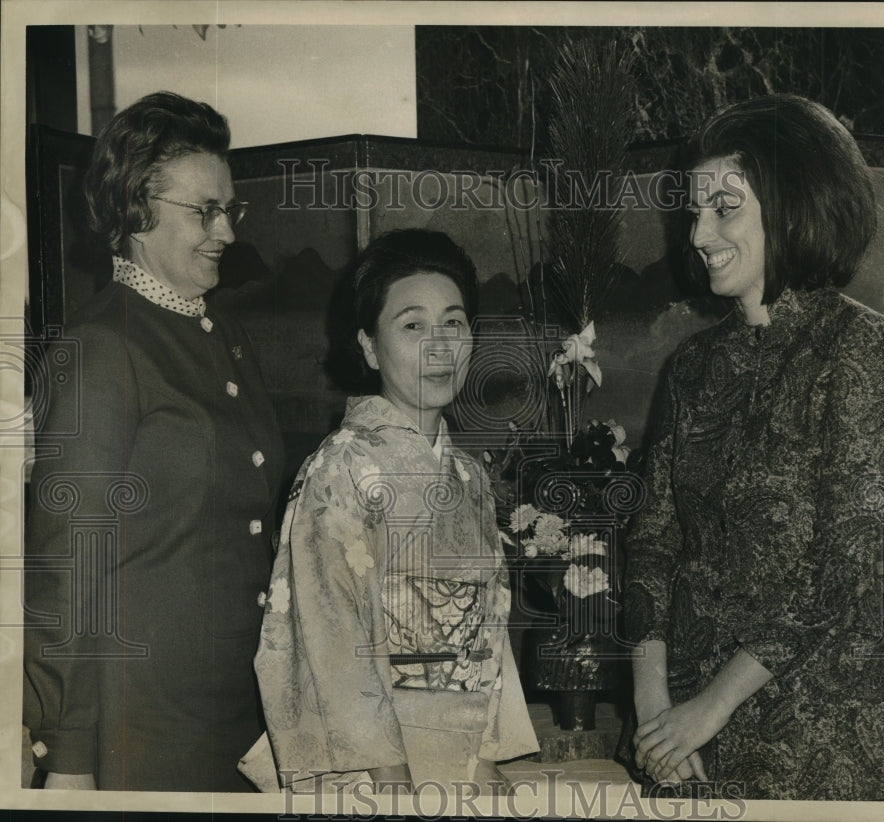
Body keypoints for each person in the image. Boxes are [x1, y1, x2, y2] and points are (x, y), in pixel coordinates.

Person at [623, 94, 884, 801]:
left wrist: (708, 710)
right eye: (694, 210)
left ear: (793, 206)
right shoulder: (691, 366)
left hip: (814, 747)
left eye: (725, 207)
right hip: (684, 749)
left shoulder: (855, 345)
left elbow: (837, 571)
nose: (698, 233)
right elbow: (651, 540)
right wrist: (655, 711)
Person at [23, 91, 285, 791]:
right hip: (146, 728)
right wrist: (69, 756)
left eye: (230, 209)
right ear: (136, 209)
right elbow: (68, 574)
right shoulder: (100, 350)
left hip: (242, 713)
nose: (227, 231)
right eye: (205, 210)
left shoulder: (223, 334)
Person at [248, 229, 538, 794]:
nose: (439, 347)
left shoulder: (471, 480)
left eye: (453, 323)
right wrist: (389, 777)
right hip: (374, 765)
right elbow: (328, 632)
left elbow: (489, 636)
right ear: (369, 345)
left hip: (456, 755)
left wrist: (481, 756)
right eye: (412, 326)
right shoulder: (339, 470)